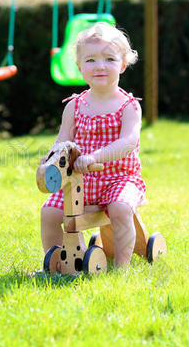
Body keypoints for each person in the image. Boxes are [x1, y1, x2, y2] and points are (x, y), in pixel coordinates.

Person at [40, 22, 146, 267]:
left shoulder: (128, 106)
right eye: (90, 61)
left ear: (122, 64)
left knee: (120, 208)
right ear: (79, 68)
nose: (99, 66)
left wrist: (94, 157)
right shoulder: (74, 106)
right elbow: (62, 141)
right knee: (50, 212)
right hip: (81, 180)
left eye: (109, 59)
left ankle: (121, 268)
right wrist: (50, 161)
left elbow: (127, 143)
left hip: (121, 178)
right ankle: (56, 265)